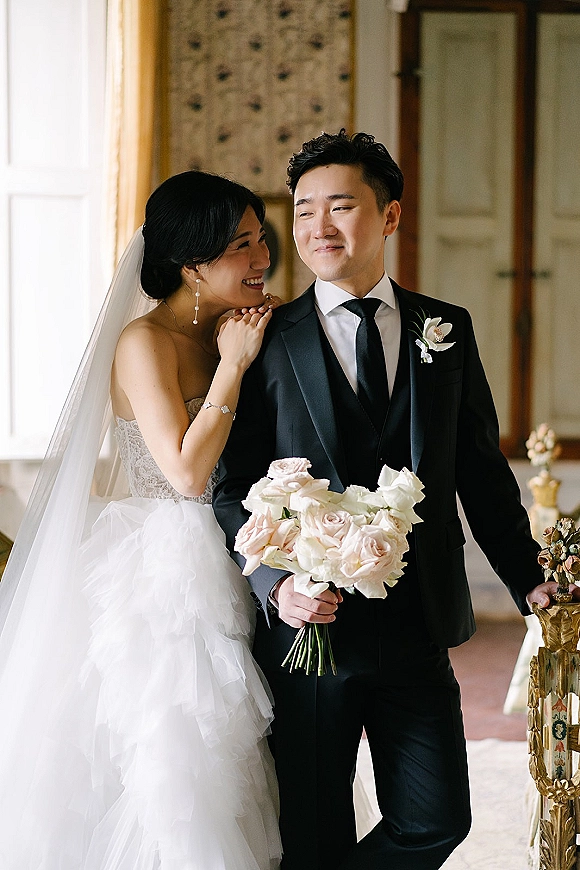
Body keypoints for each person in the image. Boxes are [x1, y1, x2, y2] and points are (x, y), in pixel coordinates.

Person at [213, 130, 575, 870]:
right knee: (314, 834)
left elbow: (478, 469)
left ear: (390, 215)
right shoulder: (262, 341)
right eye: (305, 210)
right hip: (311, 633)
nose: (318, 228)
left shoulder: (444, 328)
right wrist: (274, 585)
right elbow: (229, 488)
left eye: (340, 206)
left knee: (436, 818)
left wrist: (527, 574)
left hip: (417, 618)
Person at [0, 171, 283, 869]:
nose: (261, 259)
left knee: (246, 746)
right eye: (240, 246)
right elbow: (185, 474)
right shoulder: (144, 340)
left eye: (259, 240)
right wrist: (233, 367)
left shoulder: (239, 325)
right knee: (176, 753)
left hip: (246, 544)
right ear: (193, 265)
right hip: (168, 562)